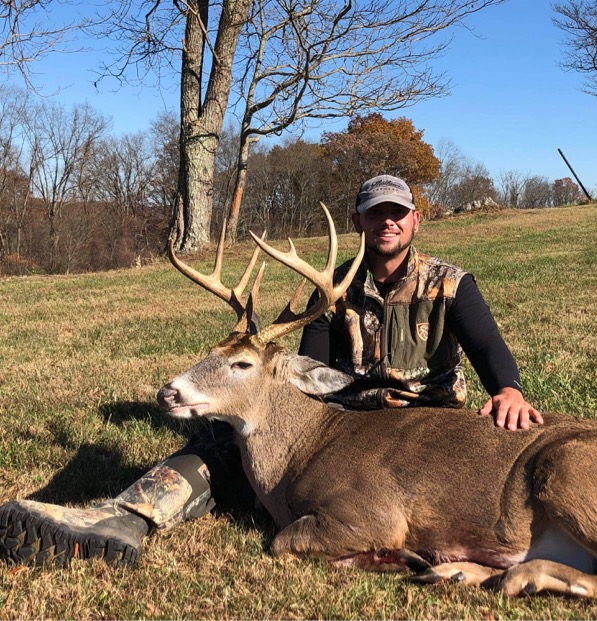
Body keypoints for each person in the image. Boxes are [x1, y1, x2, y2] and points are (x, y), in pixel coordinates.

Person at [0, 175, 542, 567]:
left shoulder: (449, 283)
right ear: (358, 221)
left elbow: (488, 346)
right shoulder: (331, 294)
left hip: (425, 426)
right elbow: (304, 369)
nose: (389, 221)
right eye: (377, 212)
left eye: (398, 212)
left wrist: (510, 389)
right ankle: (127, 516)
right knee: (227, 437)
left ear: (415, 221)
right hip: (349, 420)